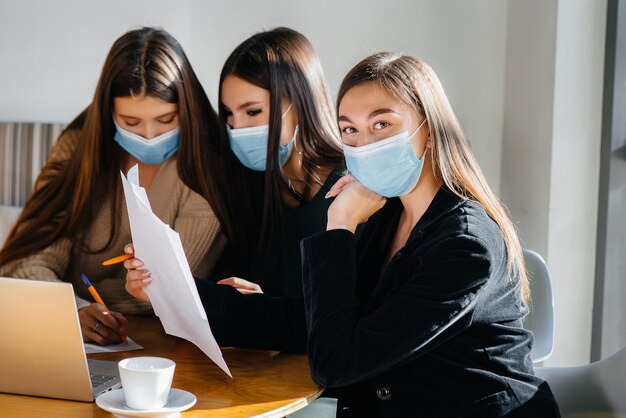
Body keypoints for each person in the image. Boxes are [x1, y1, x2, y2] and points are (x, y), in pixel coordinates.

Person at [126, 52, 560, 417]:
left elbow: (338, 362)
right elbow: (307, 323)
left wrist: (339, 226)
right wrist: (170, 289)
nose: (363, 143)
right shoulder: (389, 215)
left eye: (382, 125)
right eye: (350, 129)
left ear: (428, 127)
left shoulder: (466, 245)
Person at [0, 27, 225, 346]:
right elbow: (28, 262)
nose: (148, 135)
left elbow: (173, 291)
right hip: (64, 332)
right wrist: (73, 311)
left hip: (161, 342)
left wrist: (71, 299)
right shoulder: (78, 149)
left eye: (166, 120)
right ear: (108, 115)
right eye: (131, 123)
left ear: (187, 111)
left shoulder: (207, 168)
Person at [208, 27, 344, 297]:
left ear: (300, 102)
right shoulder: (250, 182)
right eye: (228, 113)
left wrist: (267, 309)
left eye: (253, 111)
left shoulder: (350, 188)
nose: (237, 127)